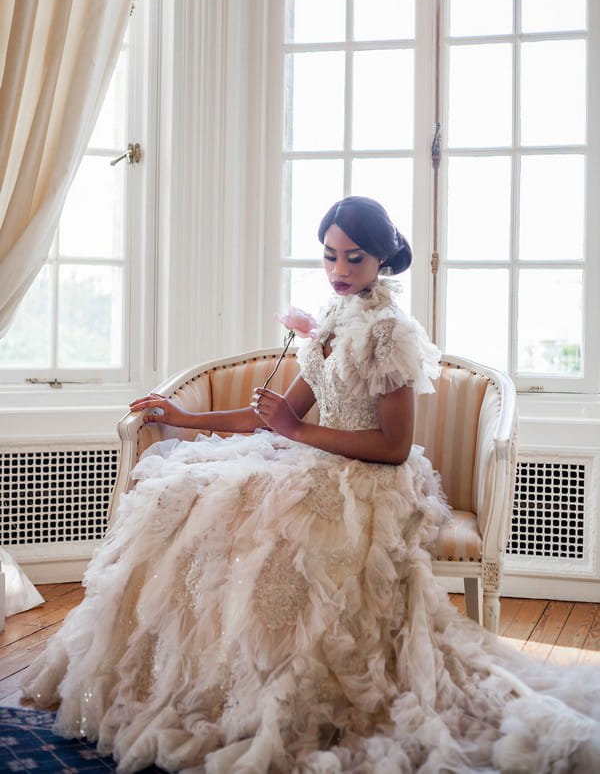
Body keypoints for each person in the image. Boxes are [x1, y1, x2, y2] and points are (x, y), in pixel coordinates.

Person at [21, 196, 600, 773]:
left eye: (355, 257)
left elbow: (393, 449)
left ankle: (288, 693)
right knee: (179, 495)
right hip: (311, 458)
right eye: (330, 257)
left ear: (381, 259)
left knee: (262, 523)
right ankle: (201, 682)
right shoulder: (333, 317)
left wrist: (296, 430)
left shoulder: (388, 333)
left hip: (370, 481)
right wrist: (183, 417)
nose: (341, 270)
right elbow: (273, 417)